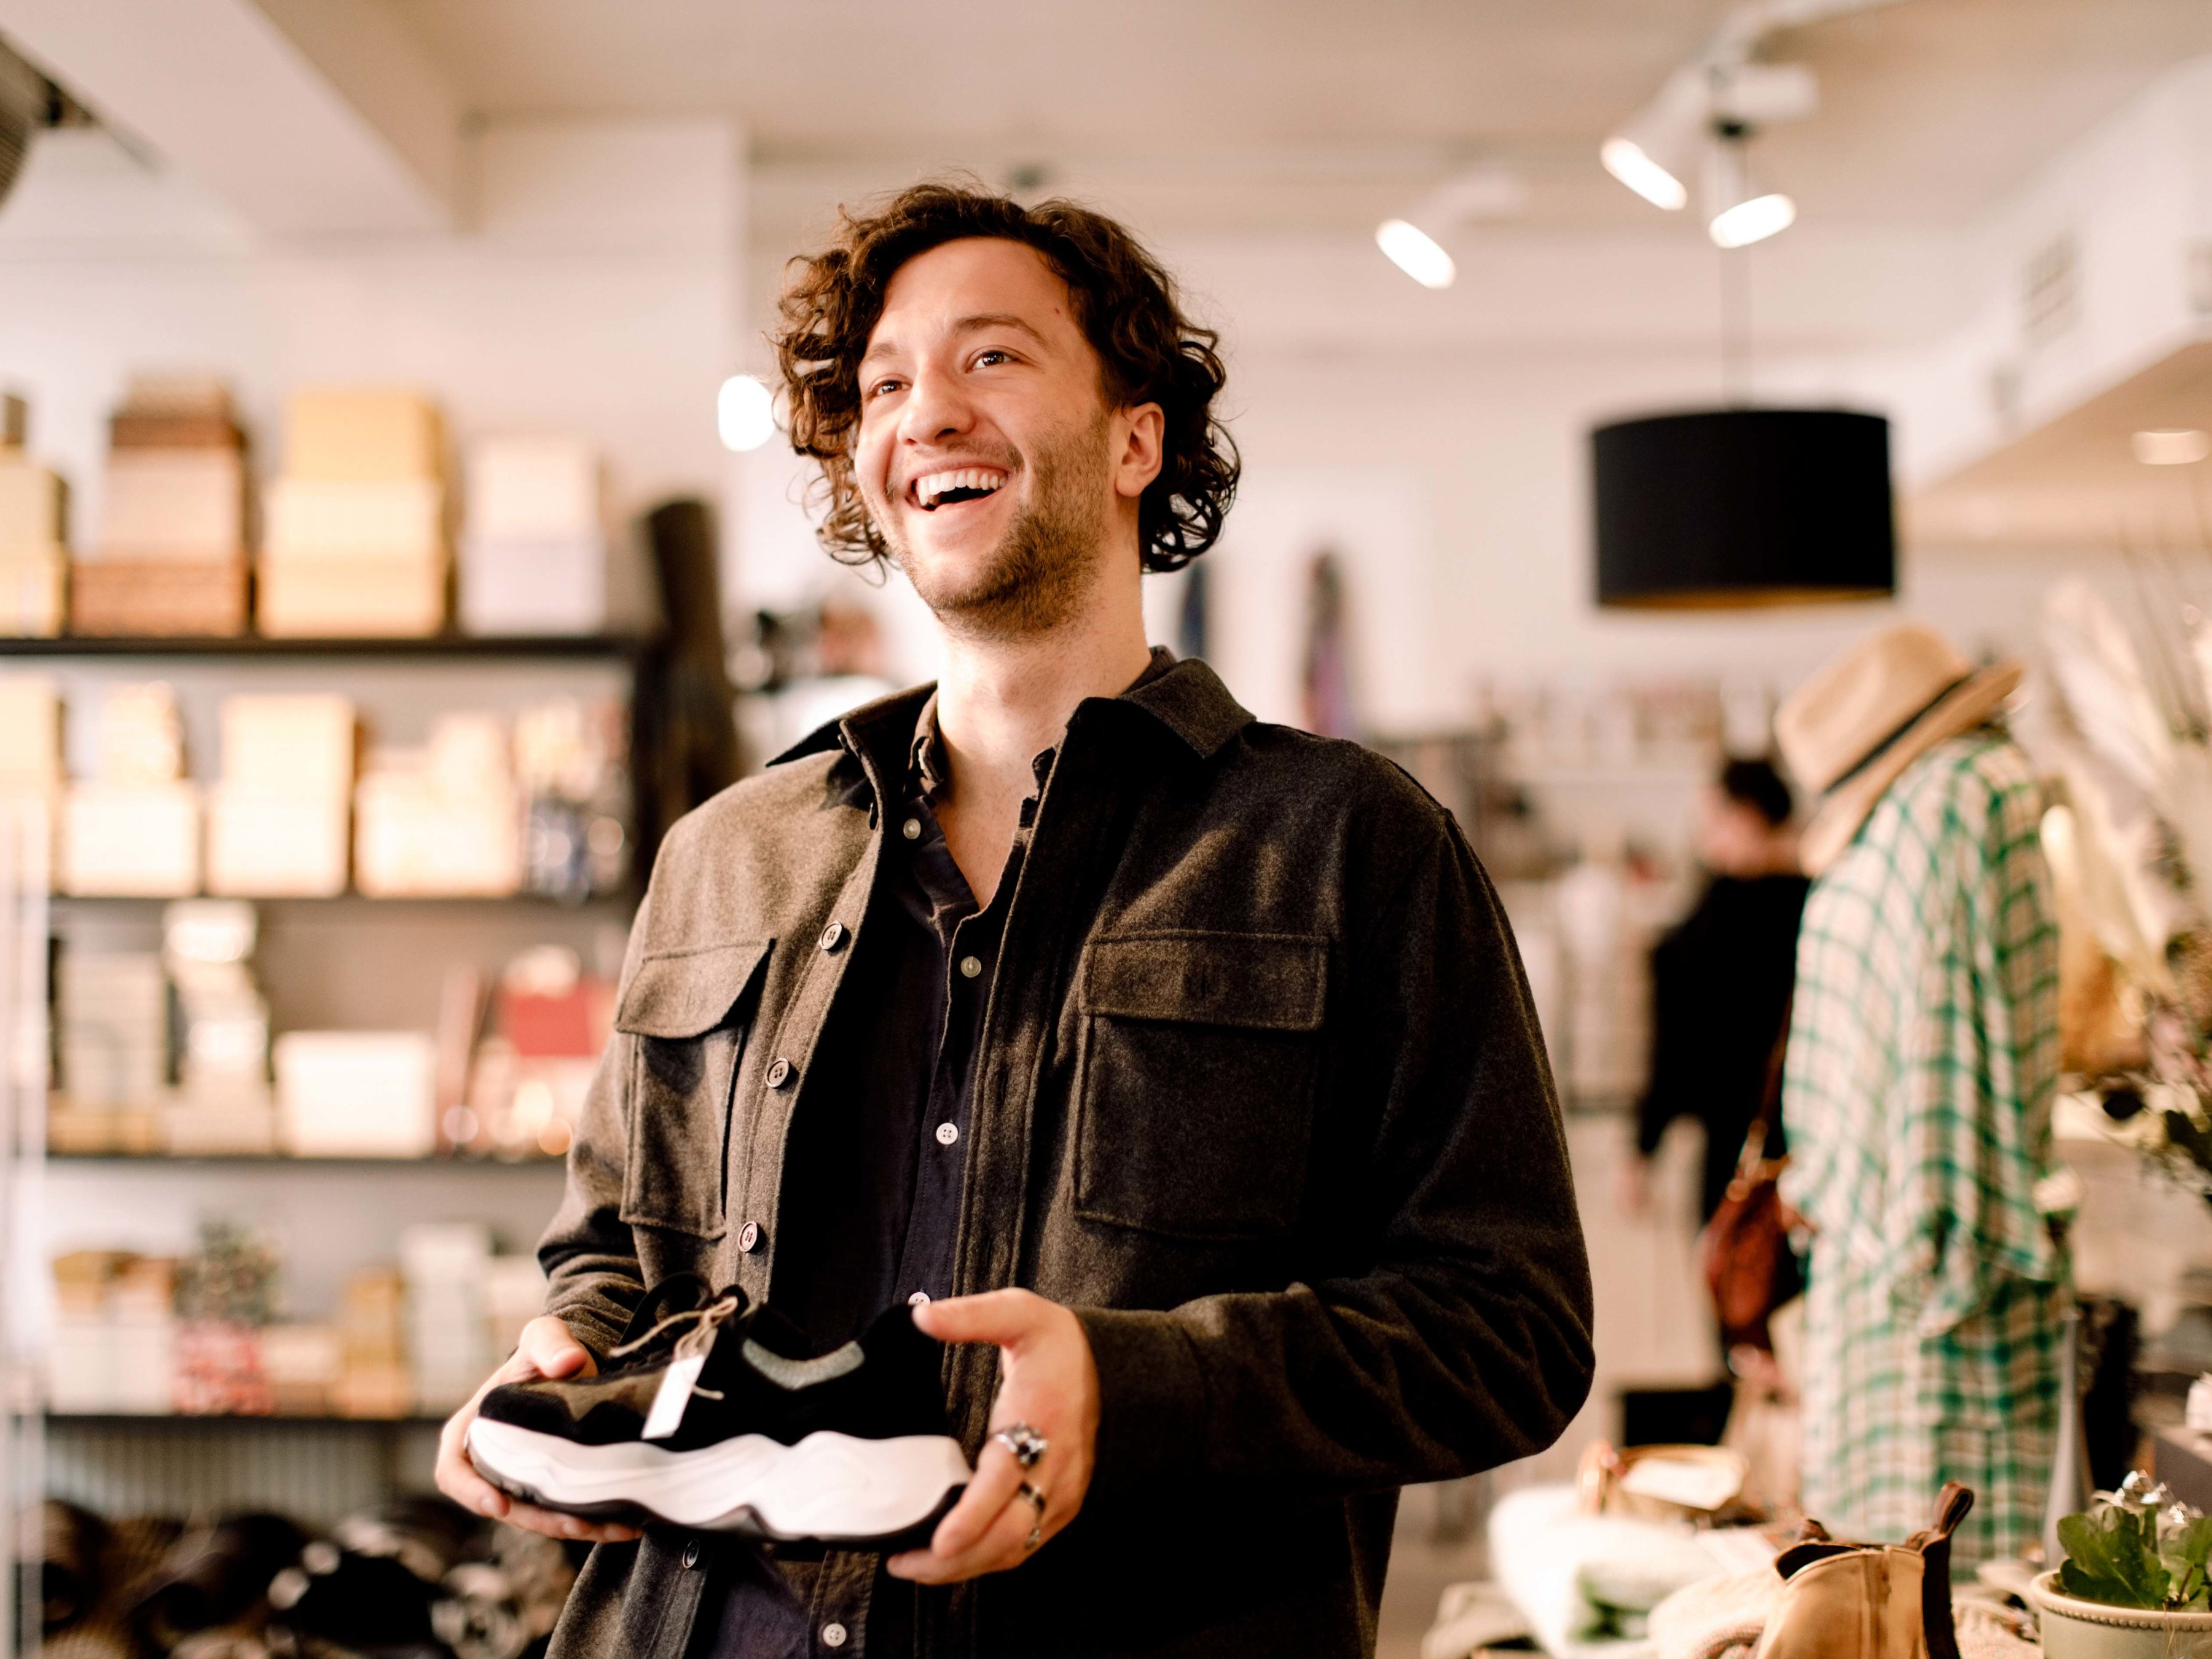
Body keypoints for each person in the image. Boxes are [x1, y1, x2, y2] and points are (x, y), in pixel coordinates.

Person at [433, 182, 1593, 1658]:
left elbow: (1508, 1329)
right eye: (885, 384)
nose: (926, 411)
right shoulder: (726, 856)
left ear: (1135, 438)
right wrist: (574, 1353)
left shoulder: (1347, 845)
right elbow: (611, 1250)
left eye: (990, 358)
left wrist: (1138, 1383)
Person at [1772, 622, 2062, 1575]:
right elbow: (1952, 1041)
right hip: (1932, 1262)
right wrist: (1945, 1235)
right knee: (1963, 1573)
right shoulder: (1970, 801)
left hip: (1868, 1256)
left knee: (1879, 1569)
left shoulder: (1885, 841)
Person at [1620, 758, 1808, 1227]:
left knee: (1739, 1287)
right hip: (1814, 1143)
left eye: (1712, 819)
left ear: (1745, 817)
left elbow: (1675, 1042)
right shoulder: (1822, 899)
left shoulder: (1719, 915)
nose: (1703, 836)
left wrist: (1643, 1149)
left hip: (1736, 1150)